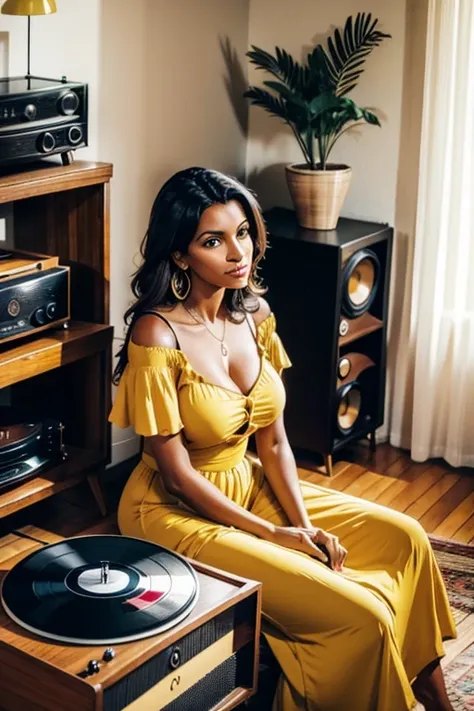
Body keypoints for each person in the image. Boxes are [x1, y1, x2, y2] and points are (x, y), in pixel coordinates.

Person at [109, 167, 456, 711]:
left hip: (247, 483)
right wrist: (275, 534)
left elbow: (273, 445)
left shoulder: (256, 315)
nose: (236, 252)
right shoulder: (157, 334)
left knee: (407, 537)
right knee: (359, 617)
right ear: (179, 256)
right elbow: (175, 476)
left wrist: (302, 525)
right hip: (172, 513)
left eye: (242, 232)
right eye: (212, 240)